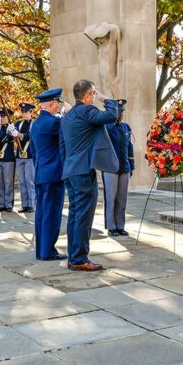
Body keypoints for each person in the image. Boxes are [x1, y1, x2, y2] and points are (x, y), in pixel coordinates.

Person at [60, 79, 118, 271]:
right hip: (83, 171)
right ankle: (79, 259)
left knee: (75, 216)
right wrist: (105, 98)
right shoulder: (86, 111)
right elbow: (111, 115)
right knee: (84, 216)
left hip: (71, 170)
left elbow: (62, 148)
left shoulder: (68, 117)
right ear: (87, 96)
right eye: (93, 94)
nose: (94, 97)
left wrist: (69, 166)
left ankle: (73, 256)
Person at [30, 89, 67, 261]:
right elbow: (70, 129)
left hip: (40, 173)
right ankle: (48, 251)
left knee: (42, 213)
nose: (59, 107)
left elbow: (33, 151)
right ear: (52, 104)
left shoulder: (36, 123)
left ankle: (41, 250)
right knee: (52, 214)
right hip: (53, 175)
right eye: (58, 104)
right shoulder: (54, 122)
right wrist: (69, 112)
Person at [102, 99, 135, 236]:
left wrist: (132, 166)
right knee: (110, 198)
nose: (120, 114)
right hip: (110, 168)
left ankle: (120, 226)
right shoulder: (107, 127)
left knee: (122, 198)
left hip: (124, 167)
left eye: (122, 112)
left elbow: (130, 147)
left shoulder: (126, 127)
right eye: (118, 112)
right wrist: (111, 121)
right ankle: (111, 226)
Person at [0, 108, 17, 212]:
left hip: (8, 158)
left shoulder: (11, 127)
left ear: (8, 117)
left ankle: (9, 204)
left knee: (8, 183)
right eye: (1, 116)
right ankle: (1, 204)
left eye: (4, 116)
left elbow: (6, 139)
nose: (2, 118)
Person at [12, 103, 36, 213]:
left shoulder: (34, 124)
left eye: (26, 112)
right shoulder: (18, 123)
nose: (24, 114)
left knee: (29, 181)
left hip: (30, 156)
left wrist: (19, 135)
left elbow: (31, 136)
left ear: (31, 112)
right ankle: (24, 204)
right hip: (20, 156)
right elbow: (14, 136)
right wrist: (12, 132)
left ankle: (31, 204)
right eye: (22, 112)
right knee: (21, 182)